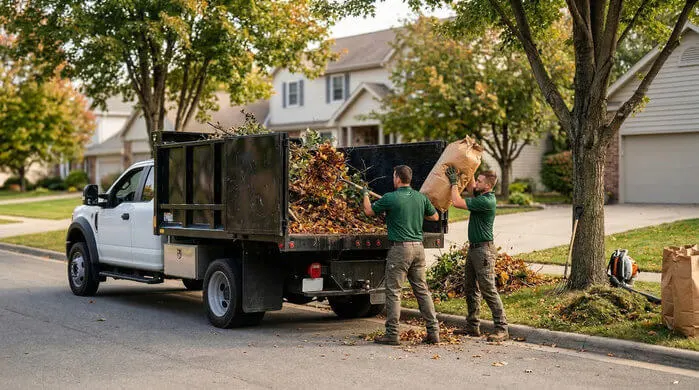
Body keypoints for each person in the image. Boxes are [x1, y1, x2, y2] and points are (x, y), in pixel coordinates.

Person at [362, 165, 441, 345]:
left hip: (400, 250)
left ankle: (392, 334)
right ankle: (433, 331)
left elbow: (368, 211)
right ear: (409, 179)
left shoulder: (391, 198)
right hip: (418, 249)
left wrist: (366, 194)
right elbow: (435, 217)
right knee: (422, 291)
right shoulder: (421, 198)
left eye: (393, 176)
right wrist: (418, 213)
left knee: (394, 292)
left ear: (397, 178)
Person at [446, 167, 509, 342]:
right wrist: (470, 167)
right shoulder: (481, 195)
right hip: (474, 249)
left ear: (487, 186)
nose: (476, 183)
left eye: (480, 181)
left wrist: (453, 183)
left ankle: (502, 328)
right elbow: (471, 186)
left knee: (488, 289)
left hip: (483, 252)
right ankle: (473, 326)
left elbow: (457, 202)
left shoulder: (486, 201)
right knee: (470, 288)